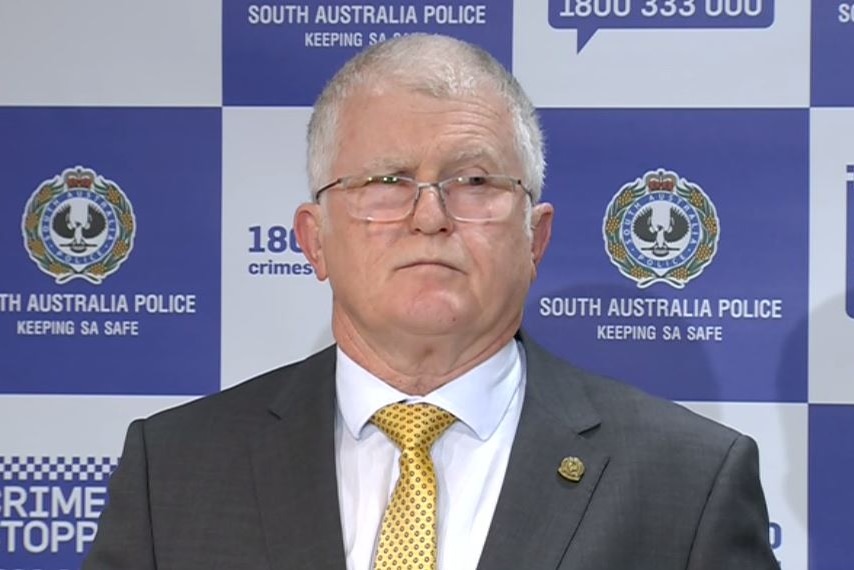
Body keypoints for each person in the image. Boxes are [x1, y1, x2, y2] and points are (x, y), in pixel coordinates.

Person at [83, 34, 779, 570]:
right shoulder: (174, 468)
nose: (429, 216)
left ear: (535, 239)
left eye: (473, 180)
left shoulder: (688, 480)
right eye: (386, 180)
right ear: (314, 239)